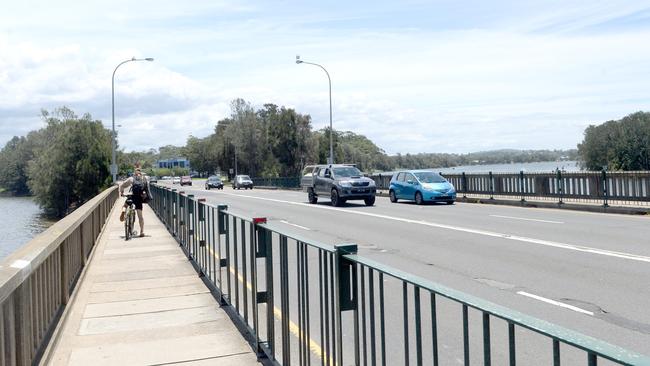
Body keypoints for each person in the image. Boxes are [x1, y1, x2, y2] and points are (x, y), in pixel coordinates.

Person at [119, 168, 151, 237]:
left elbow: (122, 185)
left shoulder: (131, 179)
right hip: (139, 199)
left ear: (134, 173)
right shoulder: (144, 179)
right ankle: (142, 231)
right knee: (140, 216)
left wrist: (122, 193)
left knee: (125, 206)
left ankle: (123, 211)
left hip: (132, 197)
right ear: (140, 173)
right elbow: (147, 189)